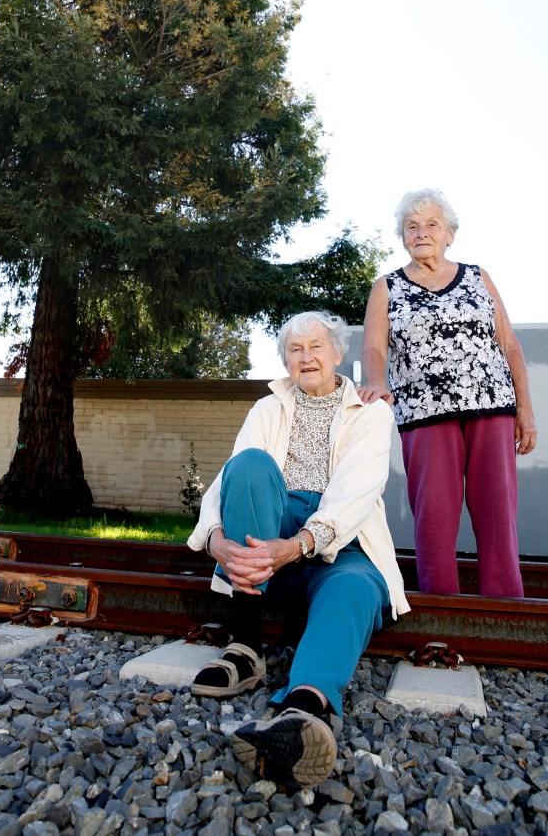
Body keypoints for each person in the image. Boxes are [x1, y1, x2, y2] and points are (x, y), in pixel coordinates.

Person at [187, 310, 409, 791]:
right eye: (295, 349)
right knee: (250, 464)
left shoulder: (371, 411)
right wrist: (215, 538)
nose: (306, 357)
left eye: (316, 346)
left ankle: (304, 706)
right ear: (286, 360)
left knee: (354, 589)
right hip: (270, 530)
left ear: (338, 353)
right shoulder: (267, 408)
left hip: (338, 539)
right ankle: (246, 648)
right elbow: (229, 479)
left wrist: (299, 544)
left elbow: (355, 494)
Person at [358, 188, 536, 598]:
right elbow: (374, 346)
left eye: (432, 224)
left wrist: (525, 411)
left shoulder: (478, 276)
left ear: (450, 234)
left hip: (492, 407)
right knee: (434, 516)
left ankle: (506, 605)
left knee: (498, 513)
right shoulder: (387, 286)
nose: (422, 232)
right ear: (403, 237)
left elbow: (509, 345)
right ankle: (442, 608)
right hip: (425, 414)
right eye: (412, 226)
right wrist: (377, 381)